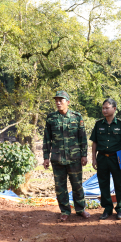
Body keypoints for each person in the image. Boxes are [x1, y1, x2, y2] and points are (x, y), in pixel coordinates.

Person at [43, 91, 90, 221]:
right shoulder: (51, 118)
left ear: (67, 102)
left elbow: (82, 137)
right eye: (56, 100)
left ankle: (80, 209)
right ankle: (65, 210)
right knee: (60, 186)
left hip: (74, 158)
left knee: (77, 185)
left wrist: (84, 155)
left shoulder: (76, 117)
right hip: (57, 159)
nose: (58, 103)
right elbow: (47, 139)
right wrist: (46, 157)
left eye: (61, 100)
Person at [90, 98, 121, 220]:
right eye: (103, 108)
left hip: (116, 158)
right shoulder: (98, 124)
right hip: (102, 157)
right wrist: (93, 158)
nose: (104, 110)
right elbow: (94, 143)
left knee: (119, 183)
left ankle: (120, 208)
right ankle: (107, 209)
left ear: (114, 109)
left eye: (107, 108)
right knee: (103, 184)